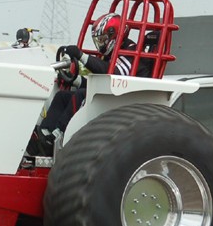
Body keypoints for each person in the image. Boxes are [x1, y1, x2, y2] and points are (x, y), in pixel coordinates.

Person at [29, 13, 135, 156]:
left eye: (103, 39)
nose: (101, 44)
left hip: (123, 94)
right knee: (62, 96)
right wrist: (74, 80)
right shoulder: (112, 53)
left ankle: (58, 134)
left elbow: (114, 73)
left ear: (113, 34)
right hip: (111, 90)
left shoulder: (130, 50)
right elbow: (100, 81)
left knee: (80, 95)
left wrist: (82, 56)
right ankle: (45, 132)